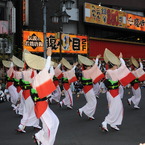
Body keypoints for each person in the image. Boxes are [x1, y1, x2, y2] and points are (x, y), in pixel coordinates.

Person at [24, 47, 59, 145]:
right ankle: (45, 142)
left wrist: (51, 63)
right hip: (41, 105)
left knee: (55, 122)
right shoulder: (39, 77)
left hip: (43, 104)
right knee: (49, 126)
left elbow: (51, 73)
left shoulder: (40, 77)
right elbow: (47, 69)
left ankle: (39, 136)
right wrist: (49, 56)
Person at [100, 48, 135, 132]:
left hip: (112, 93)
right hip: (113, 93)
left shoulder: (108, 71)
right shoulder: (113, 72)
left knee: (117, 108)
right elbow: (123, 66)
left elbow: (120, 68)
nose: (117, 65)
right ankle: (105, 122)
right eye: (116, 64)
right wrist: (121, 58)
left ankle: (113, 124)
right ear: (113, 65)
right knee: (116, 108)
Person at [77, 54, 104, 120]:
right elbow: (95, 67)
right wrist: (97, 59)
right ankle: (82, 110)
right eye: (89, 66)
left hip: (86, 89)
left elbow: (94, 67)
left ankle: (90, 115)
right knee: (94, 102)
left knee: (90, 102)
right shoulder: (88, 71)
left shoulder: (84, 71)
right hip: (89, 89)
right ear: (87, 67)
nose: (90, 67)